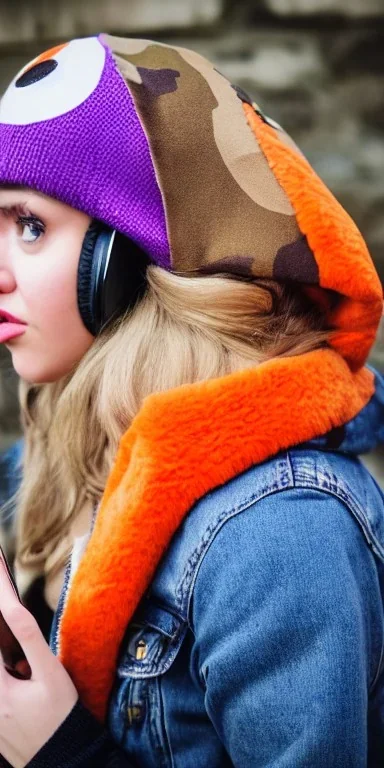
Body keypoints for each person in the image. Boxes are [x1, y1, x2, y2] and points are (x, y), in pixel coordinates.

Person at [0, 33, 383, 768]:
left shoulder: (280, 534)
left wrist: (64, 754)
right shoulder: (61, 441)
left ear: (126, 259)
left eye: (31, 226)